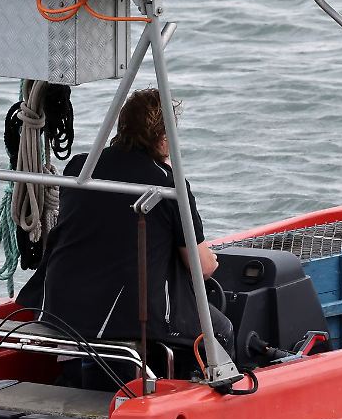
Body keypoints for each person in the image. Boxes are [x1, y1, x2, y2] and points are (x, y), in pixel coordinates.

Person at [17, 88, 232, 389]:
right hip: (125, 315)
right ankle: (201, 398)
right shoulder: (167, 184)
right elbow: (202, 267)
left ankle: (76, 377)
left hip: (60, 304)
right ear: (162, 136)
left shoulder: (80, 167)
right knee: (220, 329)